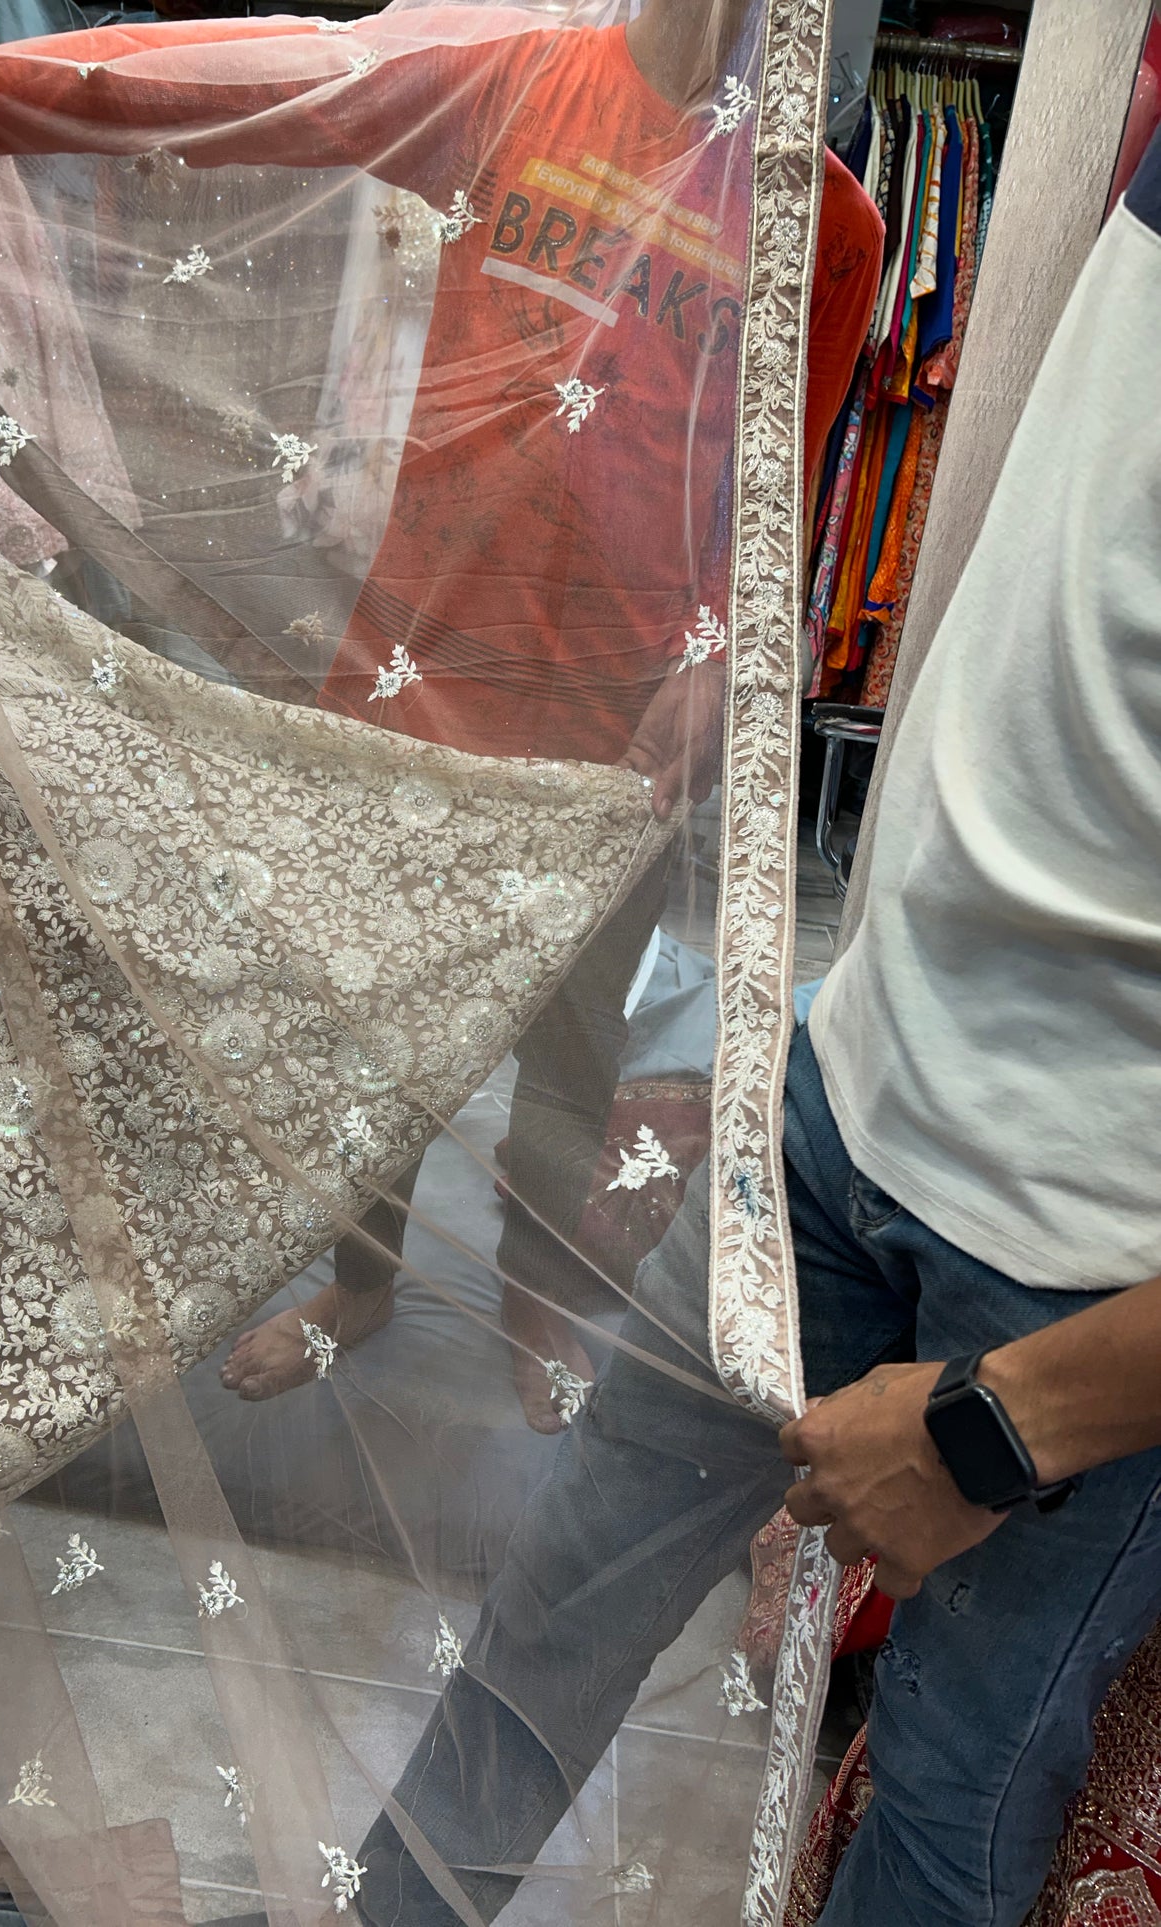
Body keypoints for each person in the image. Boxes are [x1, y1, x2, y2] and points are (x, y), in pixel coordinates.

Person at [346, 117, 1161, 1927]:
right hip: (852, 1091)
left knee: (946, 1809)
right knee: (542, 1633)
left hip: (1085, 1274)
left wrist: (999, 1427)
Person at [0, 0, 877, 1427]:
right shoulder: (521, 86)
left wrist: (718, 663)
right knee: (371, 1018)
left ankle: (534, 1292)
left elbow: (779, 484)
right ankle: (361, 1288)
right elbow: (280, 83)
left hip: (609, 722)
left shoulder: (821, 216)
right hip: (420, 659)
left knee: (569, 1034)